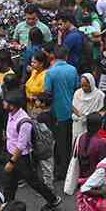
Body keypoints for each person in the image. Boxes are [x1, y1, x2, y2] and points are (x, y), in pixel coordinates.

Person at [1, 94, 60, 211]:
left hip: (20, 158)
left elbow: (21, 146)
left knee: (33, 181)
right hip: (11, 153)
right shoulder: (11, 114)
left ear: (12, 106)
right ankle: (8, 205)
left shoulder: (24, 122)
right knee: (9, 182)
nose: (3, 104)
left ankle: (53, 200)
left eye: (6, 102)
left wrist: (12, 161)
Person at [43, 46, 78, 182]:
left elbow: (48, 92)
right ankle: (69, 168)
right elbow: (76, 87)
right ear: (66, 56)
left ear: (53, 57)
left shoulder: (50, 73)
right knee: (69, 141)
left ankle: (62, 171)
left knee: (60, 143)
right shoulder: (73, 70)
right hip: (72, 110)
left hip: (57, 112)